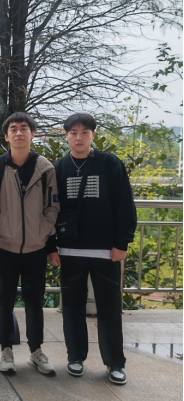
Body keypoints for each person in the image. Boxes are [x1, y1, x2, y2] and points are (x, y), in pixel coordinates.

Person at [47, 113, 137, 385]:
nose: (79, 137)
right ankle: (75, 357)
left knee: (109, 309)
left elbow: (124, 203)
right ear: (66, 136)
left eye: (84, 132)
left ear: (93, 135)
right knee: (72, 308)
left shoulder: (110, 163)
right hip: (70, 251)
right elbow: (49, 210)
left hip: (106, 251)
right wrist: (51, 247)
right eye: (73, 132)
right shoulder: (58, 168)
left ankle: (115, 362)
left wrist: (122, 242)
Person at [0, 112, 60, 375]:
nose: (18, 133)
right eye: (13, 129)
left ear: (32, 133)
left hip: (36, 248)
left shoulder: (46, 169)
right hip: (5, 247)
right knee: (4, 301)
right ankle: (6, 350)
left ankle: (36, 351)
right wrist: (2, 229)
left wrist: (43, 230)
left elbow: (53, 207)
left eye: (24, 128)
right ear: (6, 136)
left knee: (34, 301)